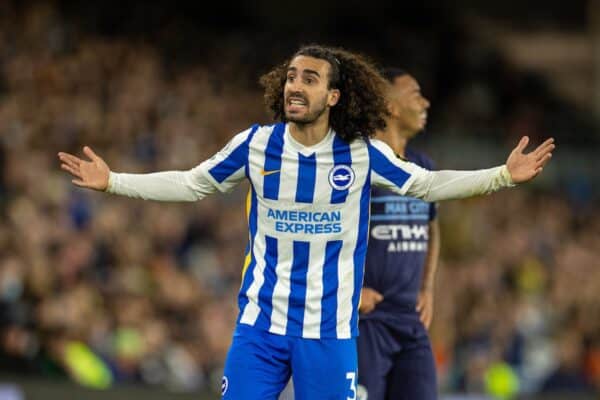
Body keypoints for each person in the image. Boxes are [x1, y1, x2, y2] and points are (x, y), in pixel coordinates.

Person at [58, 44, 554, 400]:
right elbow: (192, 184)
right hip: (260, 328)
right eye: (292, 76)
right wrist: (114, 181)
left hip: (330, 334)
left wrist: (502, 177)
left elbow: (425, 186)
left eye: (310, 79)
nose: (296, 85)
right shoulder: (256, 145)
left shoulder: (361, 154)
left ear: (334, 96)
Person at [357, 68, 439, 400]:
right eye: (415, 94)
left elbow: (433, 228)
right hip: (366, 322)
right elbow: (325, 232)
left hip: (410, 321)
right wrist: (350, 290)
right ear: (390, 106)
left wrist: (428, 287)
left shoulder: (423, 166)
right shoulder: (359, 164)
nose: (426, 103)